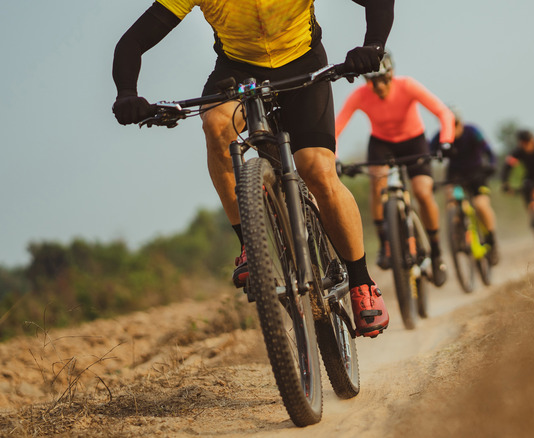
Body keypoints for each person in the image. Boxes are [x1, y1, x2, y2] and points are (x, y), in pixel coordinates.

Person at [111, 0, 394, 338]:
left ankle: (361, 282)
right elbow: (132, 43)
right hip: (237, 70)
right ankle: (250, 245)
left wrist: (373, 44)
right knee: (216, 126)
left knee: (316, 169)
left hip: (302, 62)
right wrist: (127, 93)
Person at [335, 53, 454, 287]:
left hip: (413, 141)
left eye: (383, 80)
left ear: (391, 75)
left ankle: (437, 250)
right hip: (382, 143)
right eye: (372, 81)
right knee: (377, 183)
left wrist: (446, 140)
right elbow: (336, 128)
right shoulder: (359, 96)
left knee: (422, 192)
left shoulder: (407, 85)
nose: (378, 86)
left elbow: (444, 113)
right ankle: (384, 244)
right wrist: (335, 158)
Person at [430, 111, 499, 265]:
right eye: (448, 125)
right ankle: (458, 232)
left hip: (476, 174)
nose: (452, 128)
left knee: (481, 205)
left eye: (455, 124)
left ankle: (491, 240)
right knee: (451, 202)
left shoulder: (472, 131)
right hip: (455, 176)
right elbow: (428, 154)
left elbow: (488, 150)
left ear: (460, 122)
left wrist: (492, 164)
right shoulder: (440, 136)